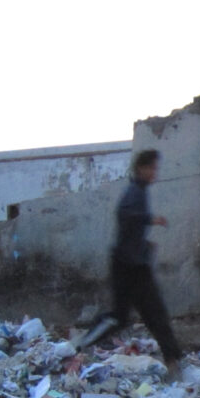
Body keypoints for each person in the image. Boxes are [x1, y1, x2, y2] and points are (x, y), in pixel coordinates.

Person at [79, 149, 184, 376]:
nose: (155, 173)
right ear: (141, 169)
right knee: (132, 316)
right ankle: (81, 345)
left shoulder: (140, 191)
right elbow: (124, 214)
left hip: (132, 263)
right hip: (129, 266)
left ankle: (173, 360)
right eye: (152, 168)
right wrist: (150, 219)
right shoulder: (134, 192)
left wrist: (144, 243)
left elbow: (129, 228)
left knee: (146, 315)